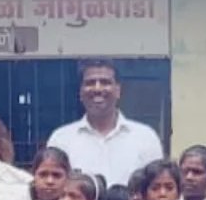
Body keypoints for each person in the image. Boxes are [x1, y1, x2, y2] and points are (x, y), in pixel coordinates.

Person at [47, 59, 163, 187]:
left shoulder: (145, 138)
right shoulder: (61, 139)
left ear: (118, 90)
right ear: (80, 92)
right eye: (90, 83)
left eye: (105, 82)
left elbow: (157, 186)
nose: (97, 88)